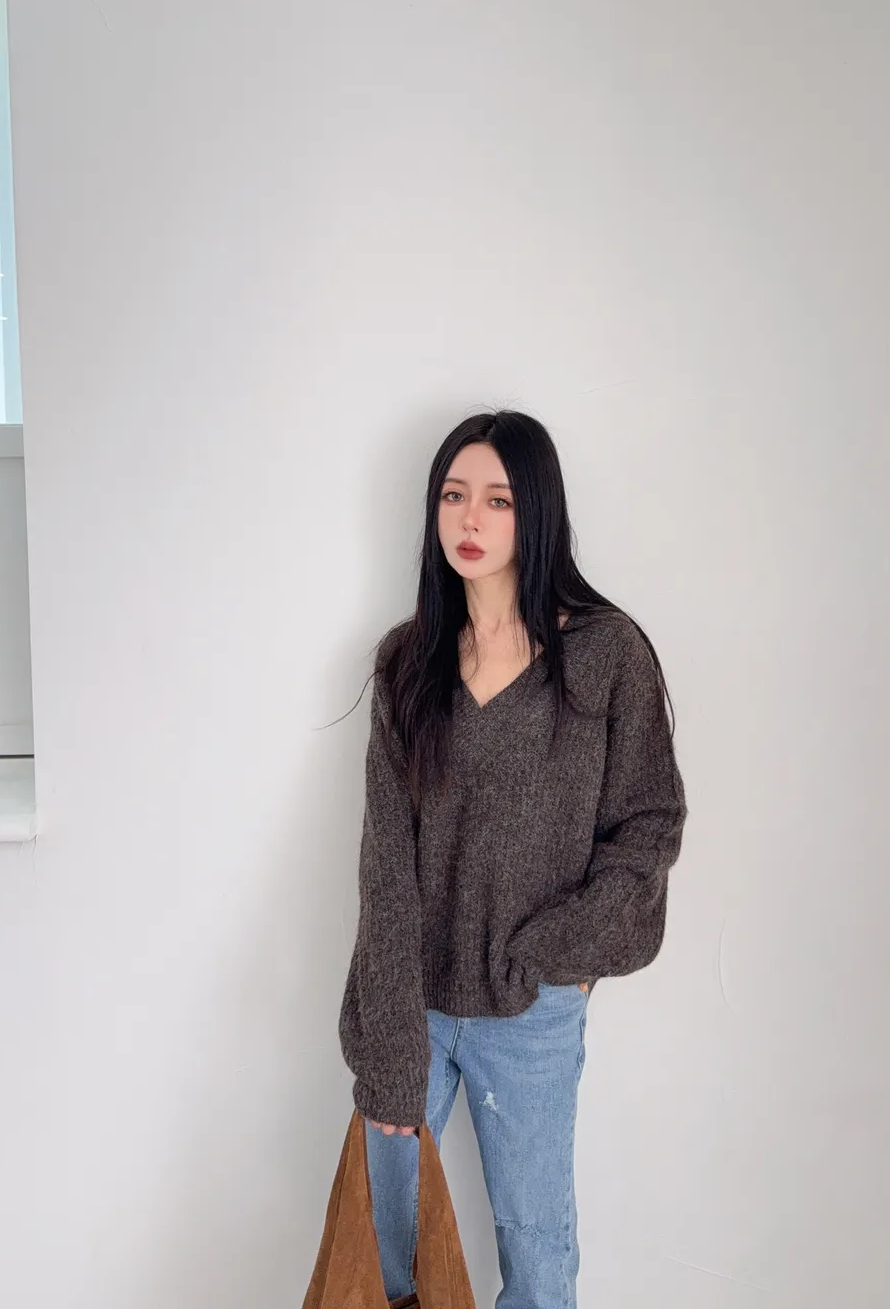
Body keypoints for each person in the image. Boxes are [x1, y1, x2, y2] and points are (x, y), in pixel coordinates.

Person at [338, 409, 687, 1309]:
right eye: (454, 495)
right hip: (411, 1006)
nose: (470, 519)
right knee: (382, 1268)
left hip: (531, 1013)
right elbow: (386, 868)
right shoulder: (408, 663)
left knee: (537, 1264)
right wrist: (391, 1045)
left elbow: (650, 824)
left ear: (536, 511)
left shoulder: (604, 654)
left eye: (497, 500)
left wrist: (556, 955)